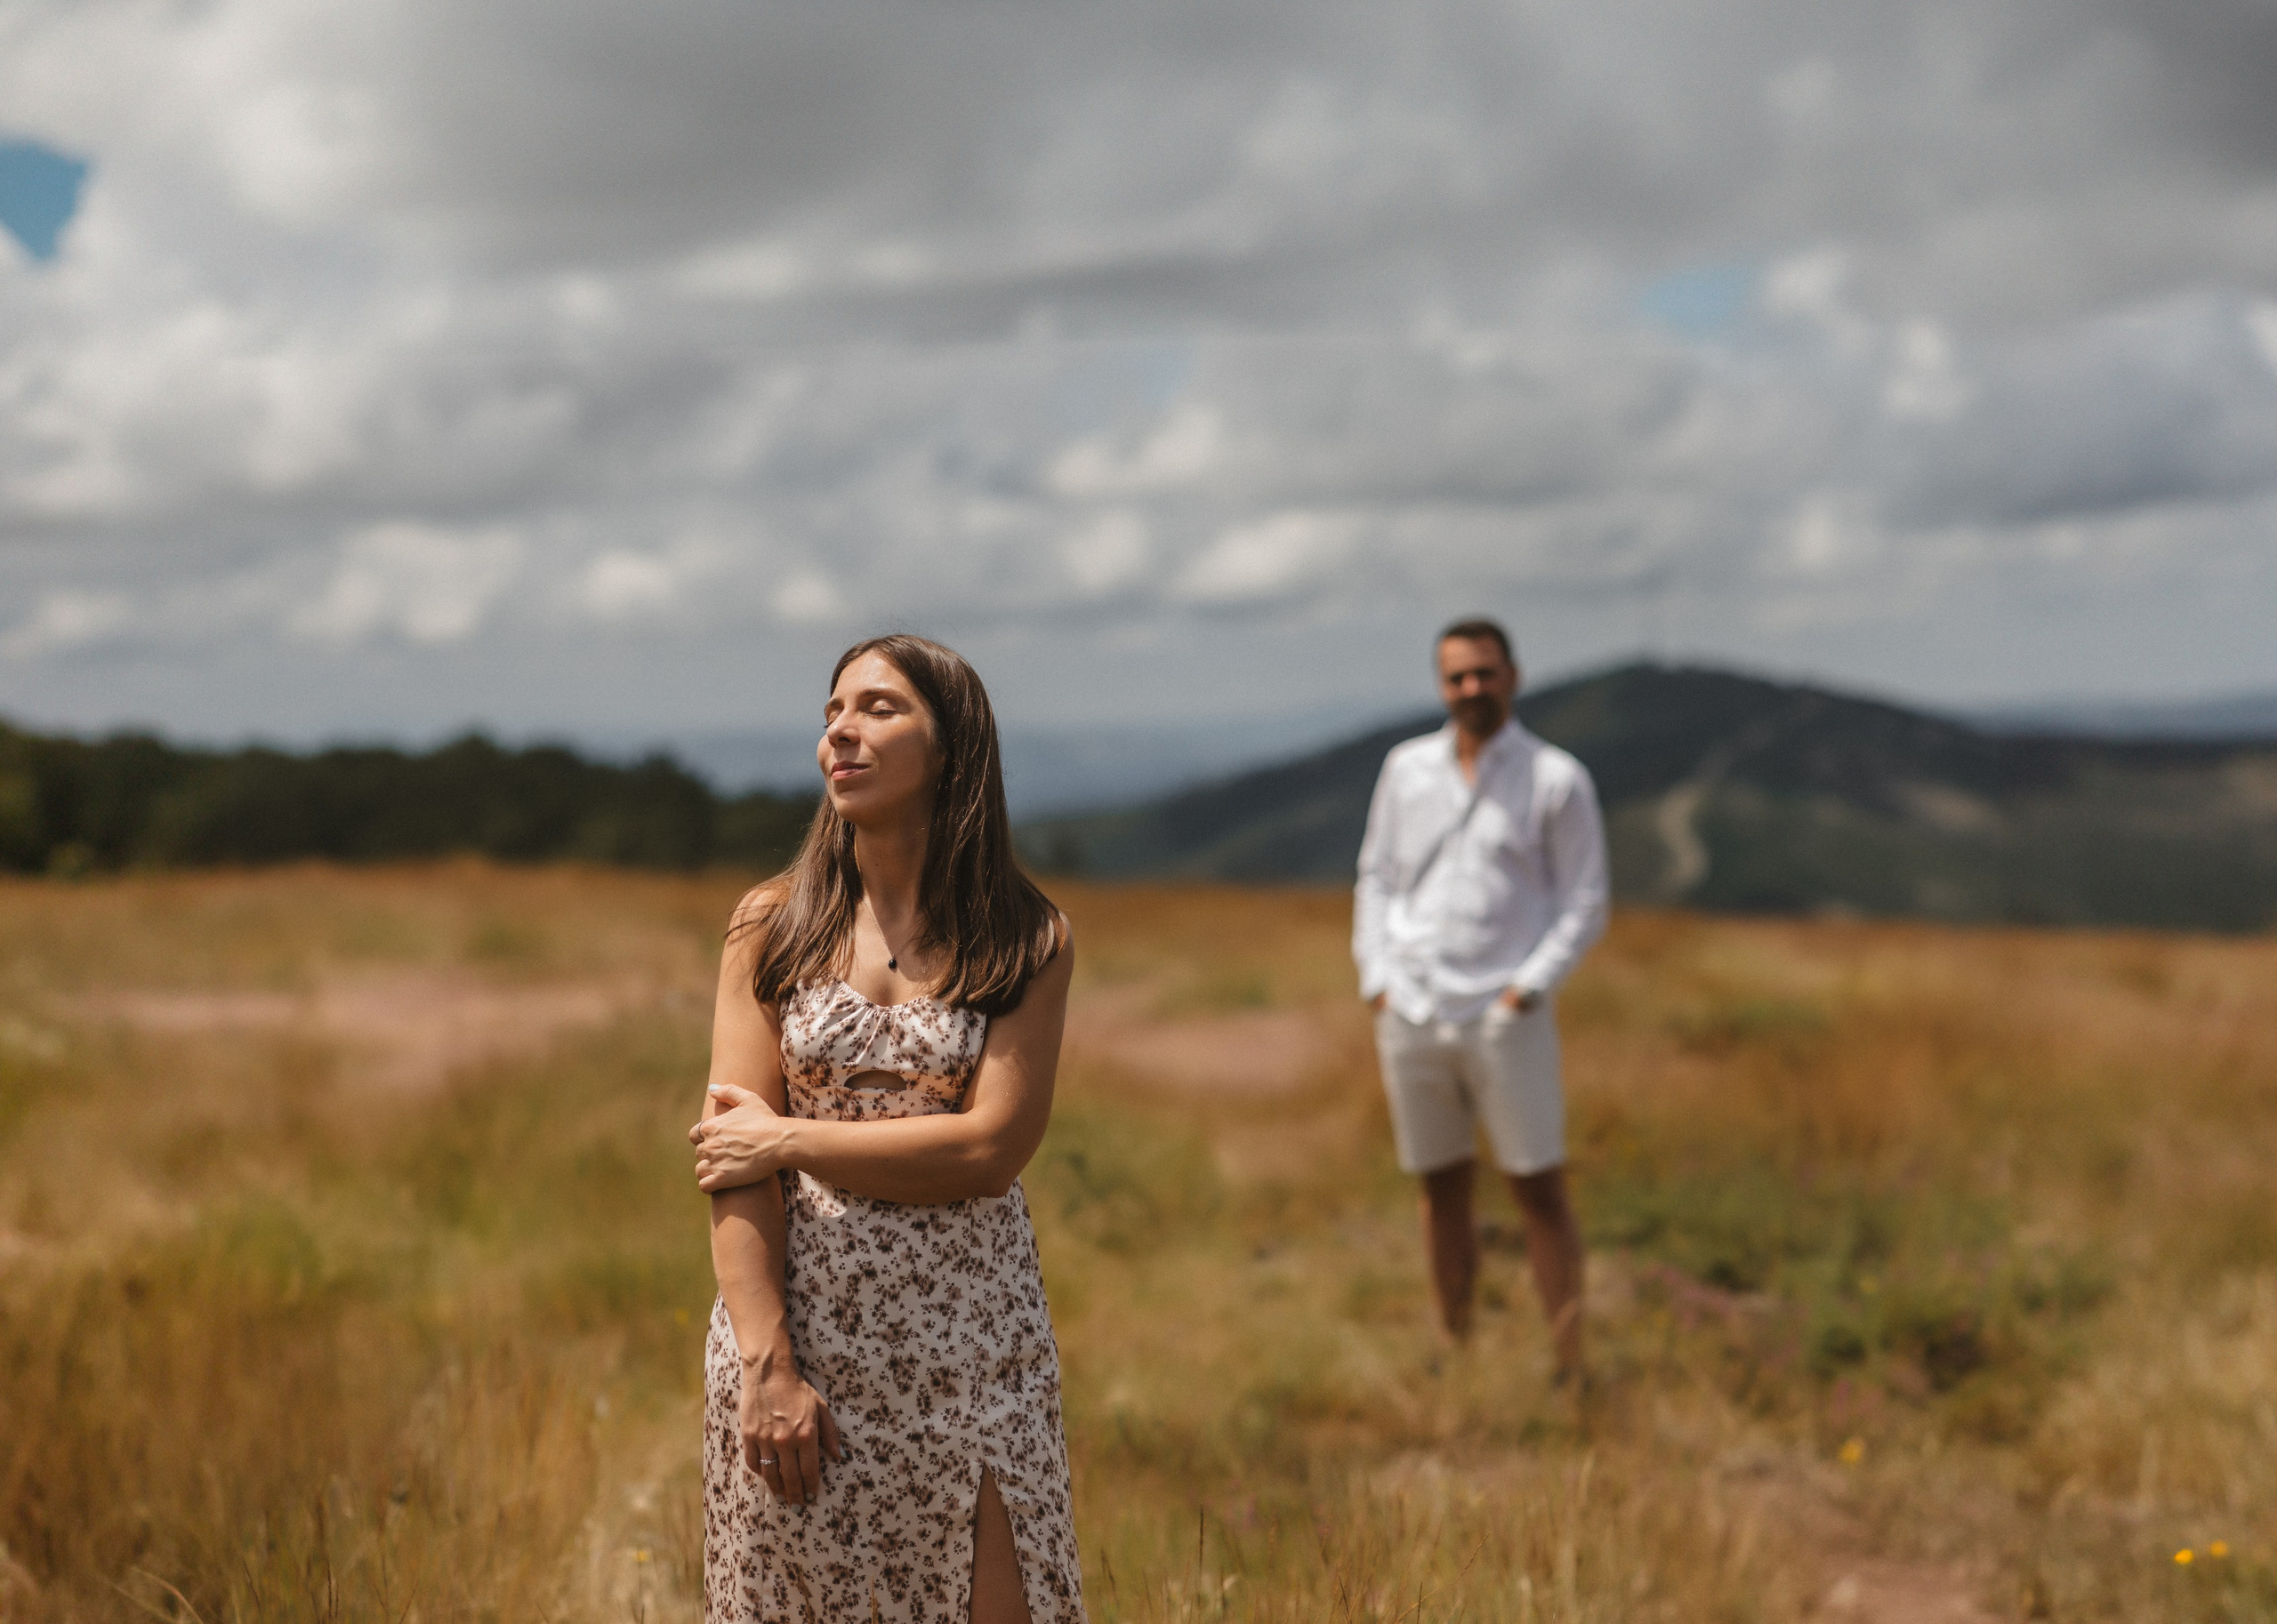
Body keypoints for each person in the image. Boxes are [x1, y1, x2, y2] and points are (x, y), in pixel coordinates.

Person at [688, 633, 1083, 1624]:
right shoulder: (770, 923)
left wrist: (793, 1139)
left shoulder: (1026, 935)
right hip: (802, 1348)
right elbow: (729, 1166)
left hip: (972, 1347)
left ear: (951, 748)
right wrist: (765, 1363)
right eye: (832, 711)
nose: (841, 732)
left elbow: (990, 1149)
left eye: (877, 708)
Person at [1352, 618, 1608, 1376]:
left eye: (1485, 674)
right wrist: (1378, 981)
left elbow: (1584, 903)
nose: (1472, 689)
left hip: (1505, 1016)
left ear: (1514, 676)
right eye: (1457, 676)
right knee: (1440, 1185)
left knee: (1538, 1187)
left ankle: (1571, 1362)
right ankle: (1453, 1348)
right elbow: (1377, 876)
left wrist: (1524, 995)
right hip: (1414, 1009)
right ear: (1441, 684)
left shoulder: (1556, 779)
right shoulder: (1407, 769)